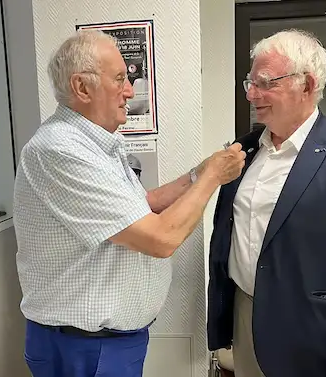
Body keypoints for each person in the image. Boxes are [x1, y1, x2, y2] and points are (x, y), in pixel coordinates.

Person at [12, 30, 246, 377]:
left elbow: (144, 204)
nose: (130, 90)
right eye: (120, 78)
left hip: (107, 343)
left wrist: (198, 174)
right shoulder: (61, 150)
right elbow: (160, 238)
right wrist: (212, 177)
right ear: (82, 87)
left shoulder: (96, 142)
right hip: (86, 348)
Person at [207, 29, 326, 377]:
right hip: (245, 318)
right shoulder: (245, 149)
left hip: (311, 336)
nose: (251, 94)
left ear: (307, 85)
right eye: (250, 81)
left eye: (265, 82)